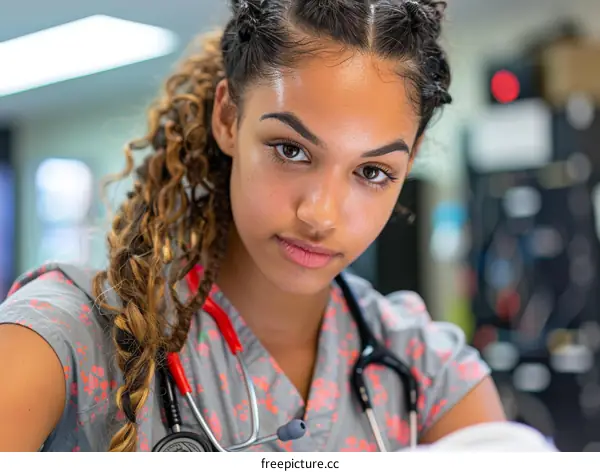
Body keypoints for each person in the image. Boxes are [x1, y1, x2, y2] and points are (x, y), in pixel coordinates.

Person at [0, 0, 506, 452]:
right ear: (228, 118)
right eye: (291, 150)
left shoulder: (430, 374)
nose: (320, 214)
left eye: (372, 172)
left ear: (409, 162)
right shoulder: (70, 337)